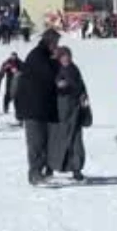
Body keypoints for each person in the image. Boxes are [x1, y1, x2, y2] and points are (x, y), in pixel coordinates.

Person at [14, 29, 61, 184]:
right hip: (33, 108)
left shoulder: (43, 55)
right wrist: (56, 60)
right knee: (36, 143)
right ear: (50, 42)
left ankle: (42, 171)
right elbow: (50, 76)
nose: (58, 46)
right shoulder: (38, 56)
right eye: (56, 43)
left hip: (42, 107)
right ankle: (34, 174)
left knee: (45, 142)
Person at [47, 46, 88, 180]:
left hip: (74, 111)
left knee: (76, 141)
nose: (66, 59)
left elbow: (81, 87)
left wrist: (84, 100)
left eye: (68, 56)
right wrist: (58, 86)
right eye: (64, 56)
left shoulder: (74, 70)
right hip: (58, 112)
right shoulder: (54, 70)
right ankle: (49, 167)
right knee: (55, 141)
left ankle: (76, 169)